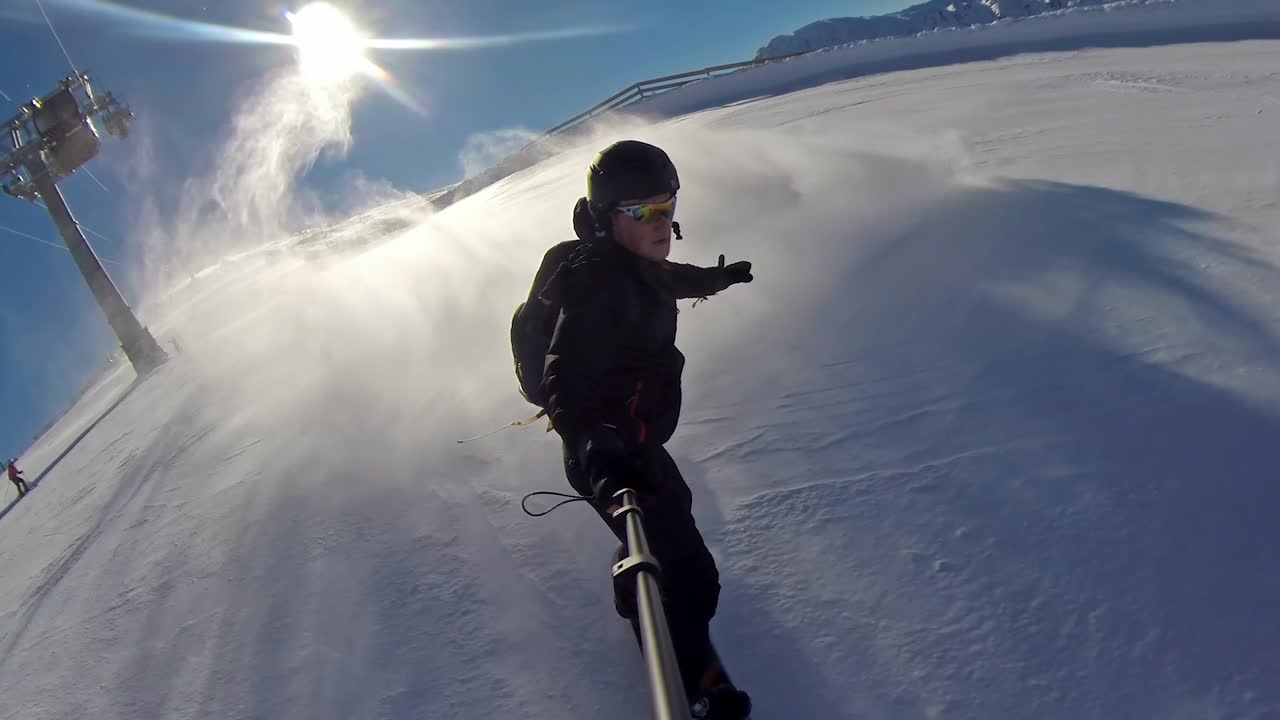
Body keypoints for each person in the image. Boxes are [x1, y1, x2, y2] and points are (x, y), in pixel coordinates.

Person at [521, 140, 754, 719]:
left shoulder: (634, 266)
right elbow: (565, 377)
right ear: (606, 219)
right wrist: (596, 443)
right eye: (642, 211)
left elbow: (667, 277)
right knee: (689, 570)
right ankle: (691, 678)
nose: (661, 222)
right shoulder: (594, 286)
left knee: (668, 534)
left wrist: (715, 279)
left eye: (667, 206)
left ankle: (640, 590)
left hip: (632, 440)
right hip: (607, 449)